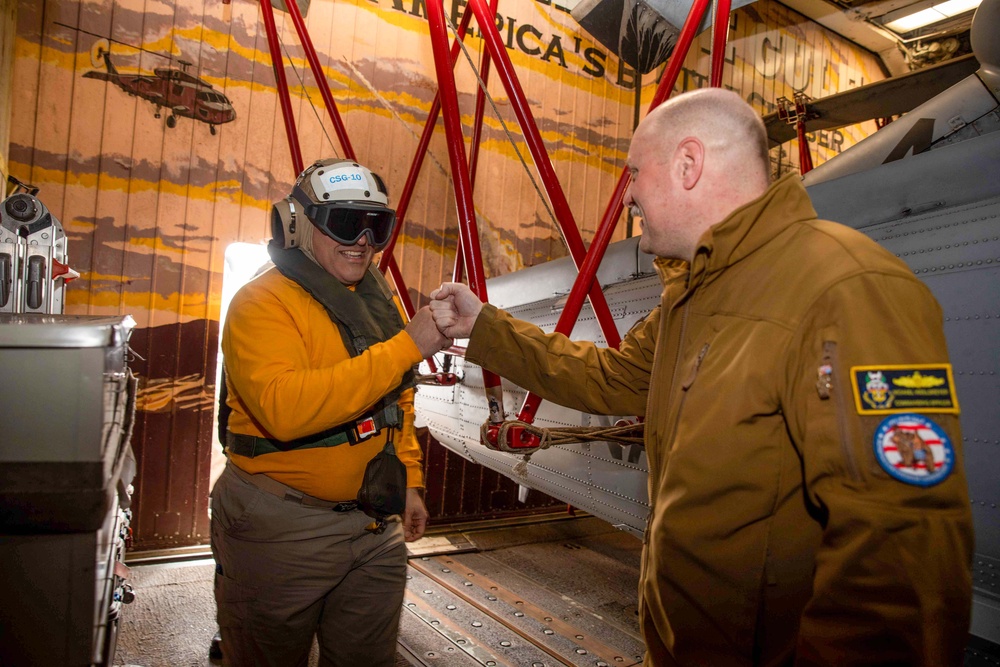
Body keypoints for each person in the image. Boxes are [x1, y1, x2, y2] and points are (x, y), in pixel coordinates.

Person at [429, 88, 974, 665]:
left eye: (635, 172)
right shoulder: (694, 296)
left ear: (688, 165)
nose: (630, 194)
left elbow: (902, 554)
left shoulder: (848, 287)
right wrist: (484, 326)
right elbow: (610, 377)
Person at [212, 158, 450, 666]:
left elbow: (396, 401)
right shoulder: (261, 303)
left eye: (376, 226)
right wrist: (407, 347)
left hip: (373, 526)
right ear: (298, 224)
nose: (362, 239)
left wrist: (409, 480)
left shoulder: (373, 300)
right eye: (344, 222)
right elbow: (284, 410)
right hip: (281, 528)